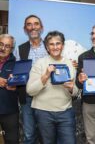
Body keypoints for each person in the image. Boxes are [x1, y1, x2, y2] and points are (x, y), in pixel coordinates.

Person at [26, 31, 77, 144]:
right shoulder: (39, 63)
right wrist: (45, 76)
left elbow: (76, 92)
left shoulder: (70, 64)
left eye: (58, 43)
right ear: (47, 47)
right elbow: (30, 91)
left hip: (65, 112)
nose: (55, 47)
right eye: (51, 44)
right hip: (43, 112)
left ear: (62, 46)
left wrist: (71, 88)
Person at [14, 15, 48, 144]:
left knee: (47, 135)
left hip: (46, 96)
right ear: (25, 29)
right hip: (27, 97)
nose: (33, 27)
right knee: (29, 134)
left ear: (41, 27)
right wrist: (14, 78)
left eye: (36, 24)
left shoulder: (50, 47)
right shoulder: (20, 49)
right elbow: (17, 72)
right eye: (29, 24)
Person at [0, 34, 19, 144]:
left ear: (12, 49)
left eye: (7, 46)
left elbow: (22, 88)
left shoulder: (17, 64)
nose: (2, 48)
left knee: (12, 141)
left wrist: (15, 88)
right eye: (1, 44)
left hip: (9, 111)